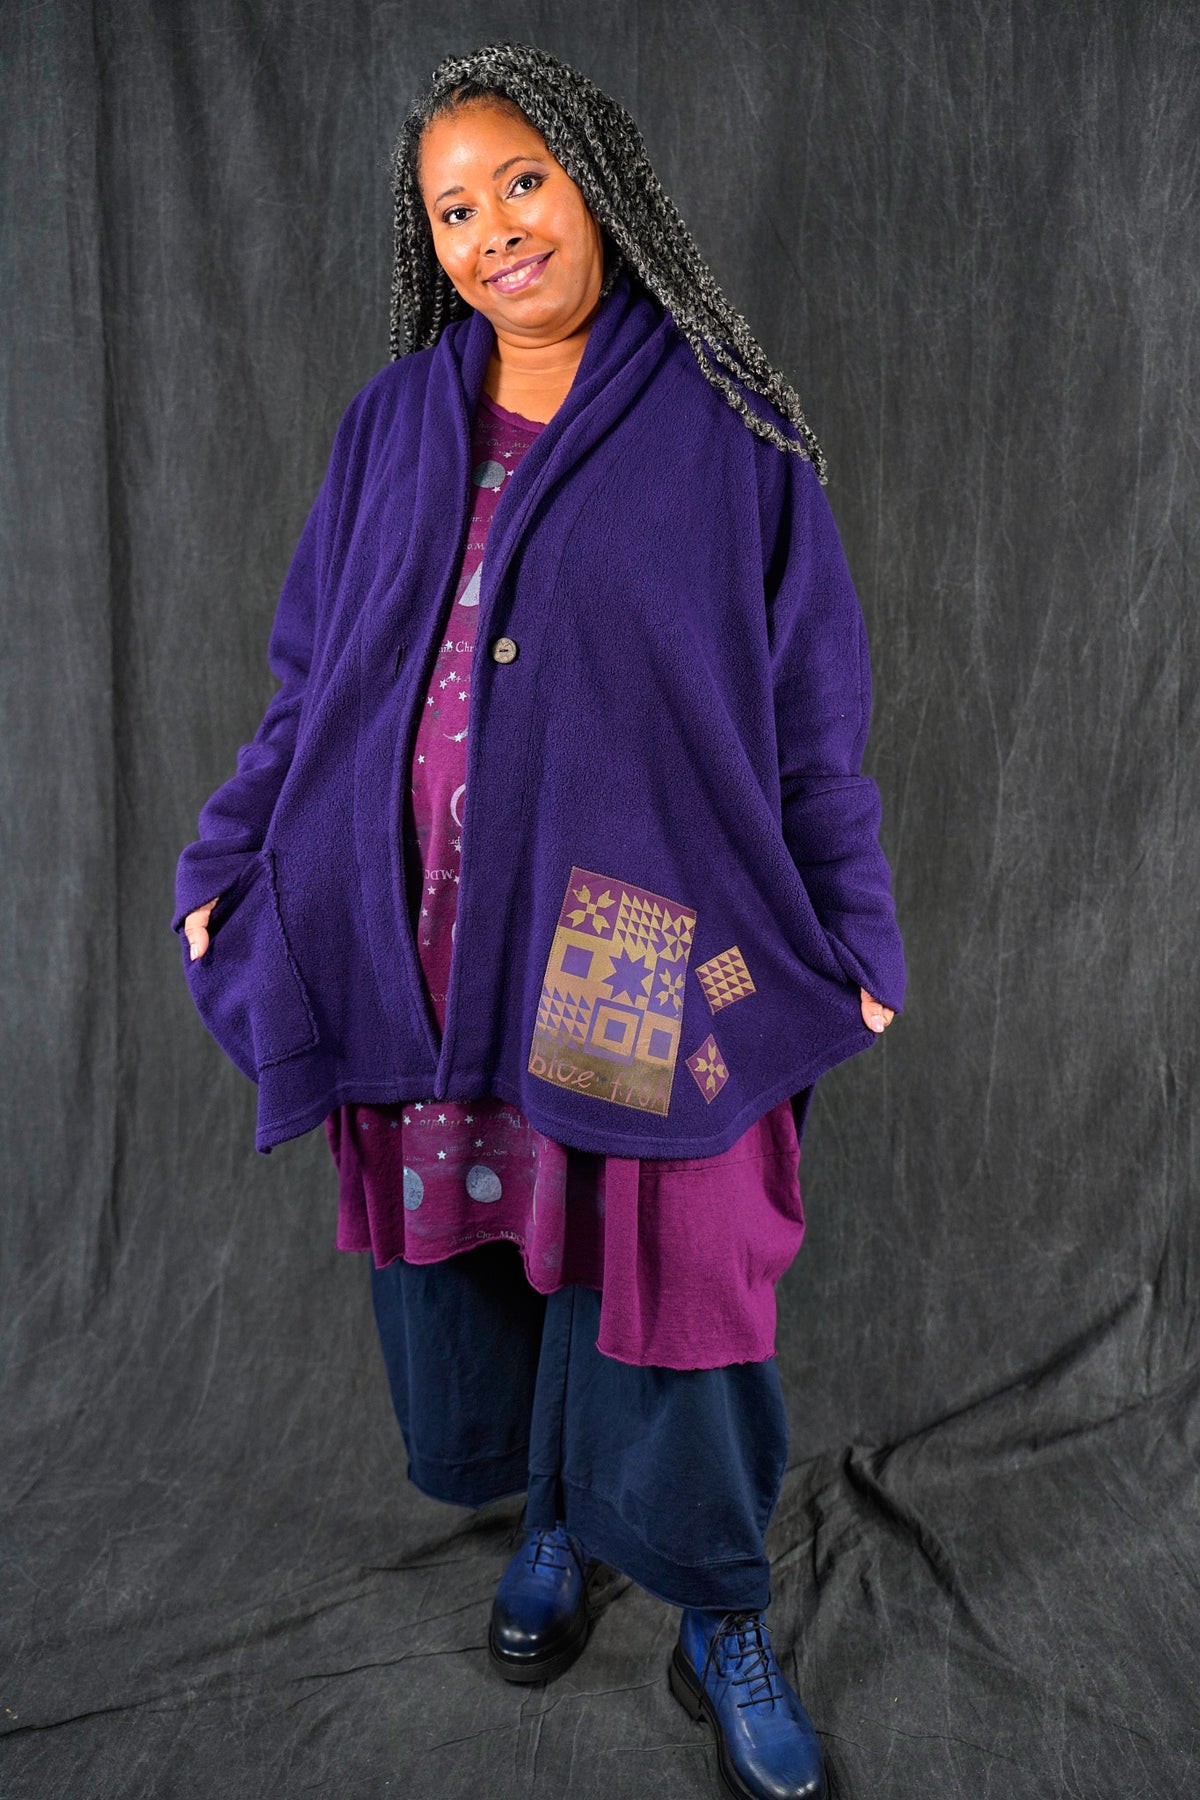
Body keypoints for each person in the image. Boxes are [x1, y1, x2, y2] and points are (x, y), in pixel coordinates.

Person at [176, 40, 904, 1800]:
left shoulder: (726, 425)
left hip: (630, 946)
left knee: (676, 1273)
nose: (492, 230)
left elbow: (810, 711)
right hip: (416, 935)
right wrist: (227, 861)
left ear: (597, 184)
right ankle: (557, 1531)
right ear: (424, 240)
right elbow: (309, 682)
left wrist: (856, 930)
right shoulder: (389, 424)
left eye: (521, 183)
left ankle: (720, 1609)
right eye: (453, 209)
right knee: (504, 1261)